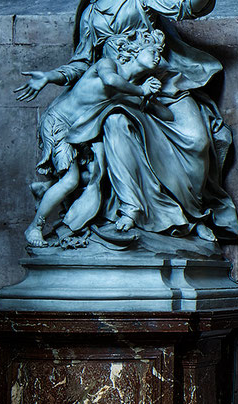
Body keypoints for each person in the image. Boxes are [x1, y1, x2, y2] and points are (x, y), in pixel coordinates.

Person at [13, 0, 237, 249]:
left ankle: (194, 215)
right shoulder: (91, 14)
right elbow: (81, 63)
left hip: (164, 85)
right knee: (116, 126)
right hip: (120, 95)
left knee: (198, 142)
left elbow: (187, 5)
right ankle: (133, 211)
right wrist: (50, 77)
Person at [26, 26, 166, 247]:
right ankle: (35, 227)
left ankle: (45, 189)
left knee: (97, 173)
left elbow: (160, 114)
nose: (158, 56)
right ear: (133, 50)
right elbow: (111, 81)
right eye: (152, 50)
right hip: (59, 124)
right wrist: (142, 91)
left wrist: (151, 96)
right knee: (71, 181)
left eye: (160, 52)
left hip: (81, 134)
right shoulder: (107, 65)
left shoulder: (129, 89)